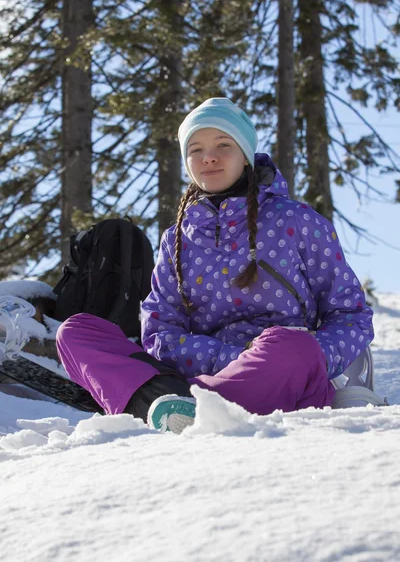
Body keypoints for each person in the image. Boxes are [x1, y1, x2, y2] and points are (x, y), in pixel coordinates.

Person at [56, 98, 374, 433]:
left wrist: (314, 357)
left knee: (291, 346)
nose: (208, 157)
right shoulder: (176, 239)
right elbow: (160, 332)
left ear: (246, 155)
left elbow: (351, 316)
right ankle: (174, 408)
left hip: (282, 376)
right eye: (195, 149)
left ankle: (175, 411)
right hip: (195, 379)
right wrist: (225, 359)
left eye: (223, 144)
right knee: (76, 332)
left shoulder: (296, 221)